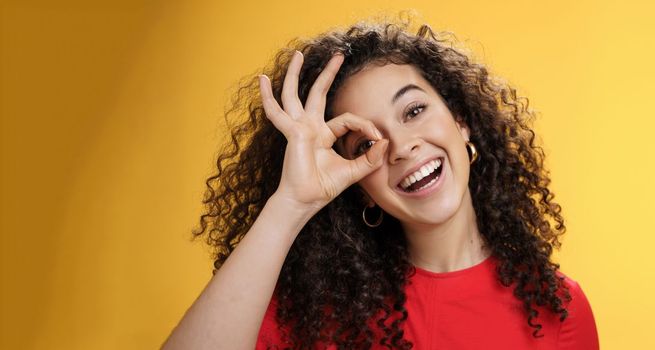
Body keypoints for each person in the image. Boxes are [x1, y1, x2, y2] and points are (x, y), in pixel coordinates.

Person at [162, 18, 598, 349]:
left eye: (412, 112)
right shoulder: (315, 307)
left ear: (461, 120)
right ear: (356, 182)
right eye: (364, 142)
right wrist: (292, 203)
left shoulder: (557, 307)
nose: (402, 147)